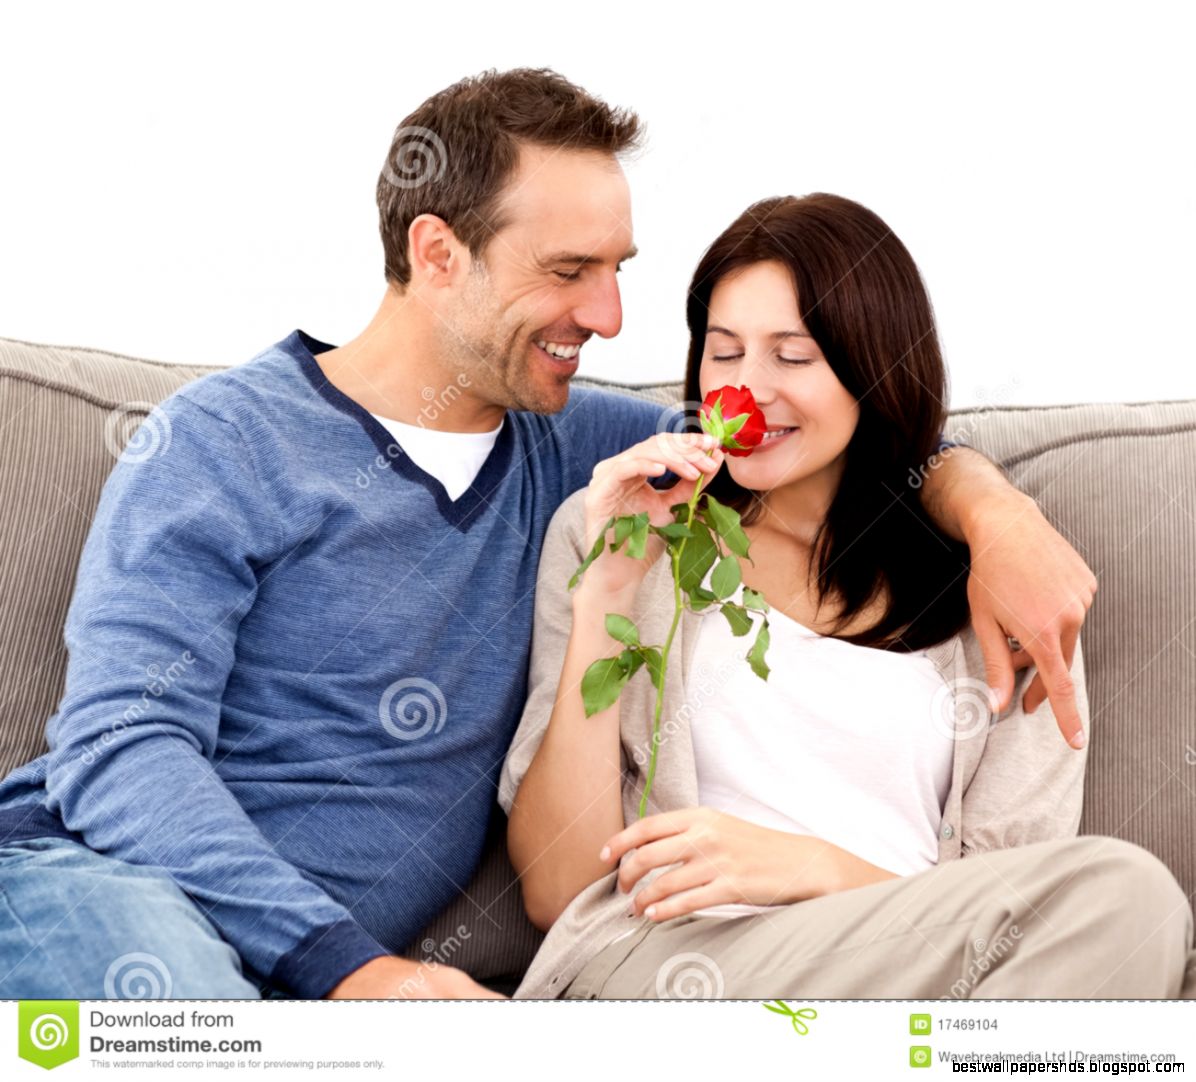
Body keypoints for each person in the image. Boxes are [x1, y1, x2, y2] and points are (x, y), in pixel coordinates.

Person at [0, 70, 1097, 1001]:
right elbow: (119, 747)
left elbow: (837, 428)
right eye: (569, 272)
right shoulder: (222, 441)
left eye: (619, 268)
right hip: (94, 887)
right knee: (177, 994)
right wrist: (354, 967)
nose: (612, 316)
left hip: (316, 987)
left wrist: (993, 515)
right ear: (438, 254)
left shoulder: (585, 449)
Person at [500, 193, 1196, 1000]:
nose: (746, 390)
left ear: (873, 369)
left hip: (906, 988)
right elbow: (559, 892)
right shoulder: (616, 532)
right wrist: (605, 600)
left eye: (792, 357)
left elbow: (1013, 905)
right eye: (723, 354)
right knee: (1126, 894)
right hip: (678, 968)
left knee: (1125, 906)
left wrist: (810, 869)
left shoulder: (996, 589)